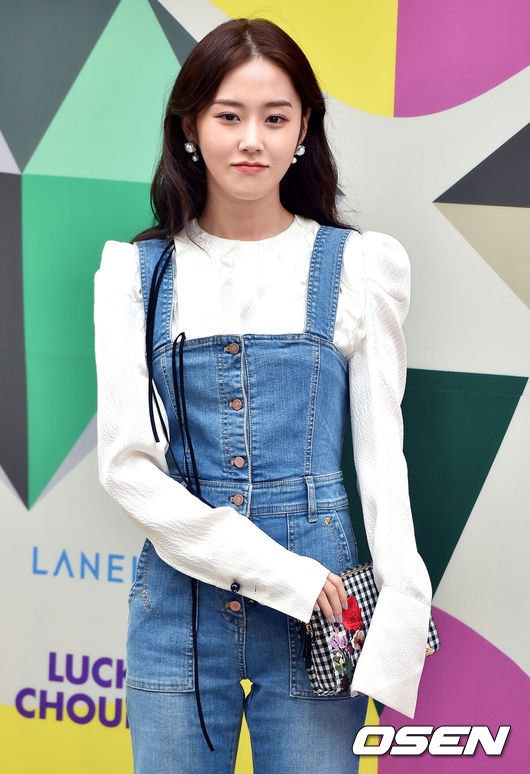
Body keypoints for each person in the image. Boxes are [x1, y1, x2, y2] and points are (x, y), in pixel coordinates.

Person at [94, 16, 432, 774]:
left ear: (304, 128)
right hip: (180, 613)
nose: (252, 140)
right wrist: (291, 579)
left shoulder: (359, 266)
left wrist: (402, 608)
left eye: (275, 118)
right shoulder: (133, 274)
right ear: (190, 127)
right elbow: (127, 468)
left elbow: (383, 461)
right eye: (229, 116)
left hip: (327, 613)